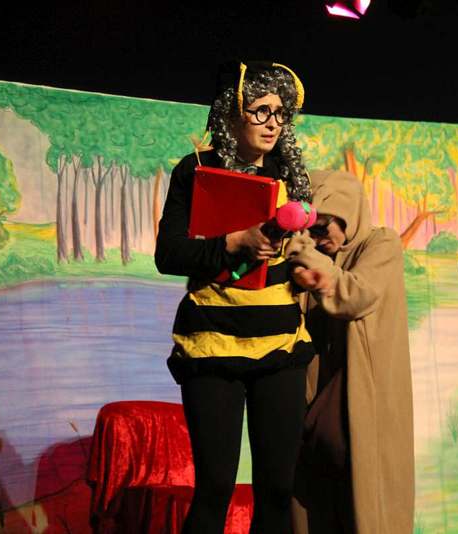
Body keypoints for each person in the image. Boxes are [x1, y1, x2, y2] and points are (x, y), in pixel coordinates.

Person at [155, 61, 329, 534]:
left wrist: (307, 268)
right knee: (215, 488)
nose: (273, 123)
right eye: (260, 111)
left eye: (280, 113)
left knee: (276, 490)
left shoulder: (288, 176)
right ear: (232, 113)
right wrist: (234, 242)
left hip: (280, 345)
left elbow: (296, 250)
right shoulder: (197, 170)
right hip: (213, 345)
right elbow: (168, 254)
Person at [284, 169, 415, 533]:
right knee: (312, 509)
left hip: (361, 400)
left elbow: (355, 295)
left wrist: (308, 258)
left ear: (348, 214)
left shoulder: (381, 244)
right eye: (311, 229)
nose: (318, 238)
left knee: (365, 508)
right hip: (315, 403)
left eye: (324, 227)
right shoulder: (309, 255)